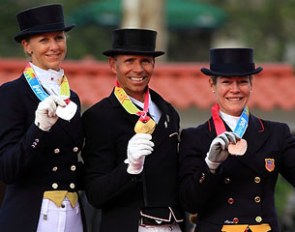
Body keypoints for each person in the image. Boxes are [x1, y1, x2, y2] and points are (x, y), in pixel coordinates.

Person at [178, 48, 295, 232]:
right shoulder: (194, 137)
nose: (235, 90)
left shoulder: (277, 133)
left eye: (242, 82)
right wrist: (210, 165)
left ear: (251, 84)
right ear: (212, 84)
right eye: (226, 82)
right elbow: (189, 202)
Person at [82, 28, 184, 232]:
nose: (138, 69)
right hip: (128, 225)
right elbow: (95, 193)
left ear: (153, 64)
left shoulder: (168, 111)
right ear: (113, 64)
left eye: (145, 61)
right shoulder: (99, 116)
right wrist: (129, 168)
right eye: (129, 61)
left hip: (172, 224)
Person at [0, 4, 86, 232]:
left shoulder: (72, 97)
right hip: (33, 214)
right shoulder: (11, 94)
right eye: (44, 40)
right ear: (27, 46)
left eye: (59, 38)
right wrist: (38, 129)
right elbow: (7, 170)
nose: (54, 46)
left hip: (73, 213)